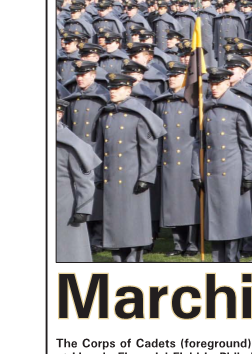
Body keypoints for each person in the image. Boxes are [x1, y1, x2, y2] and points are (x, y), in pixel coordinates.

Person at [92, 71, 166, 262]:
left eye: (117, 88)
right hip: (111, 178)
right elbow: (100, 149)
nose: (112, 92)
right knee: (115, 223)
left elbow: (149, 150)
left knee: (133, 223)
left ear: (128, 90)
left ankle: (134, 259)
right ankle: (118, 258)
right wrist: (98, 175)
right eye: (111, 88)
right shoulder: (106, 114)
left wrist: (146, 177)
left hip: (132, 179)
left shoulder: (139, 115)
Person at [192, 67, 252, 262]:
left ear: (227, 83)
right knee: (215, 221)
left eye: (218, 83)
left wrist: (249, 175)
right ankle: (218, 261)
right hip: (211, 172)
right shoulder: (205, 109)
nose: (214, 87)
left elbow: (248, 145)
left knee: (232, 221)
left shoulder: (238, 109)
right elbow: (199, 144)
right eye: (211, 84)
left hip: (233, 172)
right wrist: (196, 173)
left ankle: (232, 259)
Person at [151, 59, 201, 256]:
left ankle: (192, 244)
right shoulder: (162, 102)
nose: (171, 79)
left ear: (185, 78)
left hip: (188, 159)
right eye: (170, 76)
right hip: (169, 159)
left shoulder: (194, 101)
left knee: (189, 206)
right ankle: (178, 244)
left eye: (176, 76)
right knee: (172, 205)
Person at [56, 98, 101, 262]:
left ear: (59, 115)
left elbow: (85, 179)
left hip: (64, 208)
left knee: (68, 251)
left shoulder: (70, 144)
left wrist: (83, 208)